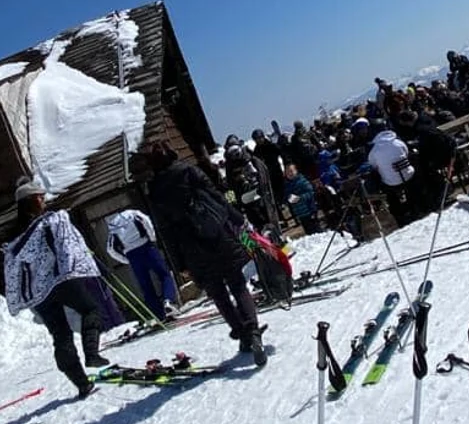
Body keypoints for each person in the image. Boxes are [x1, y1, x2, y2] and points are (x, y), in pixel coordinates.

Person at [145, 142, 268, 366]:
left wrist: (178, 263)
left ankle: (242, 334)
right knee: (238, 285)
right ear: (172, 153)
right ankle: (253, 331)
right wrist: (236, 218)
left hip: (191, 247)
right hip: (217, 234)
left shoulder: (154, 190)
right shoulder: (188, 170)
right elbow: (217, 196)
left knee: (218, 294)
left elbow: (164, 231)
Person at [2, 180, 110, 398]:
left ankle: (81, 383)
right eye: (40, 197)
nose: (43, 201)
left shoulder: (12, 235)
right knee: (90, 309)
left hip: (38, 293)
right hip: (59, 279)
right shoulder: (48, 222)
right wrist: (76, 265)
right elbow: (65, 244)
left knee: (60, 335)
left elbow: (13, 267)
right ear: (32, 200)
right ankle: (91, 354)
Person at [106, 208, 176, 320]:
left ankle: (158, 315)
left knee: (146, 286)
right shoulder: (133, 213)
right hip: (146, 246)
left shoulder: (113, 226)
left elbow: (110, 249)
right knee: (164, 275)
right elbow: (146, 221)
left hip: (131, 254)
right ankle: (168, 300)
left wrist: (125, 260)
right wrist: (152, 238)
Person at [284, 163, 320, 234]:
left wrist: (300, 198)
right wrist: (288, 198)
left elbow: (311, 193)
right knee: (309, 232)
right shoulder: (288, 185)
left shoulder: (302, 181)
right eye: (287, 172)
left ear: (296, 171)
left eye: (291, 171)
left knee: (316, 230)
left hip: (309, 210)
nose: (290, 174)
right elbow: (287, 196)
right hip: (300, 213)